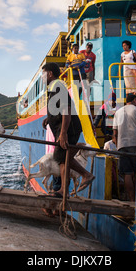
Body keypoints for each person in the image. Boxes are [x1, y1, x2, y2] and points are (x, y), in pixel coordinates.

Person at [41, 62, 95, 198]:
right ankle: (66, 189)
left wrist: (64, 133)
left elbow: (66, 110)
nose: (42, 77)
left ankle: (84, 176)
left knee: (63, 158)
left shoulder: (58, 86)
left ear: (50, 74)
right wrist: (49, 118)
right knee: (63, 158)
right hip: (64, 128)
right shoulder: (54, 87)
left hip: (68, 129)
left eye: (43, 74)